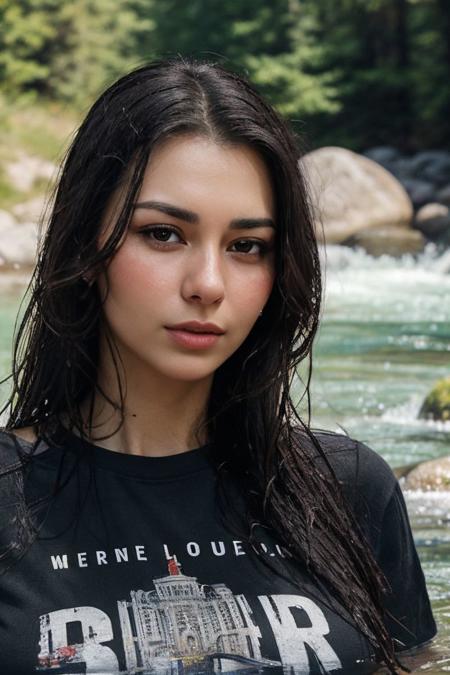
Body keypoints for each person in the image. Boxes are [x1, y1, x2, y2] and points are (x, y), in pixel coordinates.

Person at [0, 56, 436, 675]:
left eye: (246, 247)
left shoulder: (350, 490)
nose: (208, 284)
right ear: (86, 246)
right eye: (163, 234)